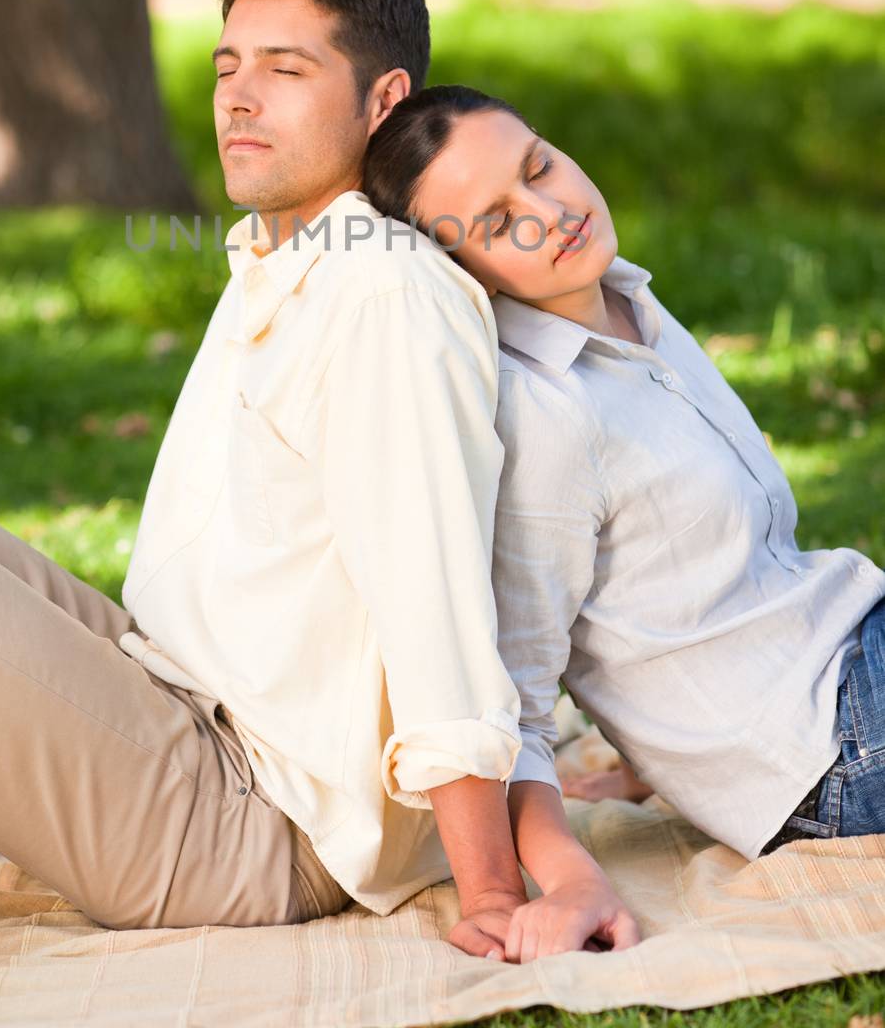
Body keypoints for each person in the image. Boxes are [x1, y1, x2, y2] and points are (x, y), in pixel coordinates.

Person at [0, 0, 636, 962]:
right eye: (227, 67)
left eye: (285, 71)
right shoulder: (287, 251)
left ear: (381, 100)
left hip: (248, 823)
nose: (240, 98)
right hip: (174, 702)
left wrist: (487, 891)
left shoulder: (381, 294)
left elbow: (433, 606)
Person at [362, 82, 885, 943]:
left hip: (849, 646)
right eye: (496, 222)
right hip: (834, 751)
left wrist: (656, 760)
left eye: (538, 166)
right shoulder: (542, 421)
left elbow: (701, 589)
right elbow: (517, 705)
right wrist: (562, 875)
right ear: (459, 272)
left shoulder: (623, 298)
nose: (548, 210)